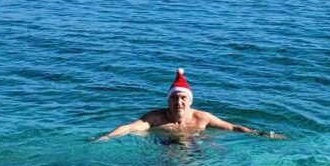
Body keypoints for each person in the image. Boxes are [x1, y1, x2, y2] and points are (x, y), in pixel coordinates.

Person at [93, 68, 285, 141]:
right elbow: (129, 127)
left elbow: (233, 127)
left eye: (183, 98)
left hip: (196, 143)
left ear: (190, 101)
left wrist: (262, 134)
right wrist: (107, 136)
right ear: (167, 100)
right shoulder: (156, 118)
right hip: (166, 144)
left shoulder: (202, 118)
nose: (179, 102)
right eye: (175, 98)